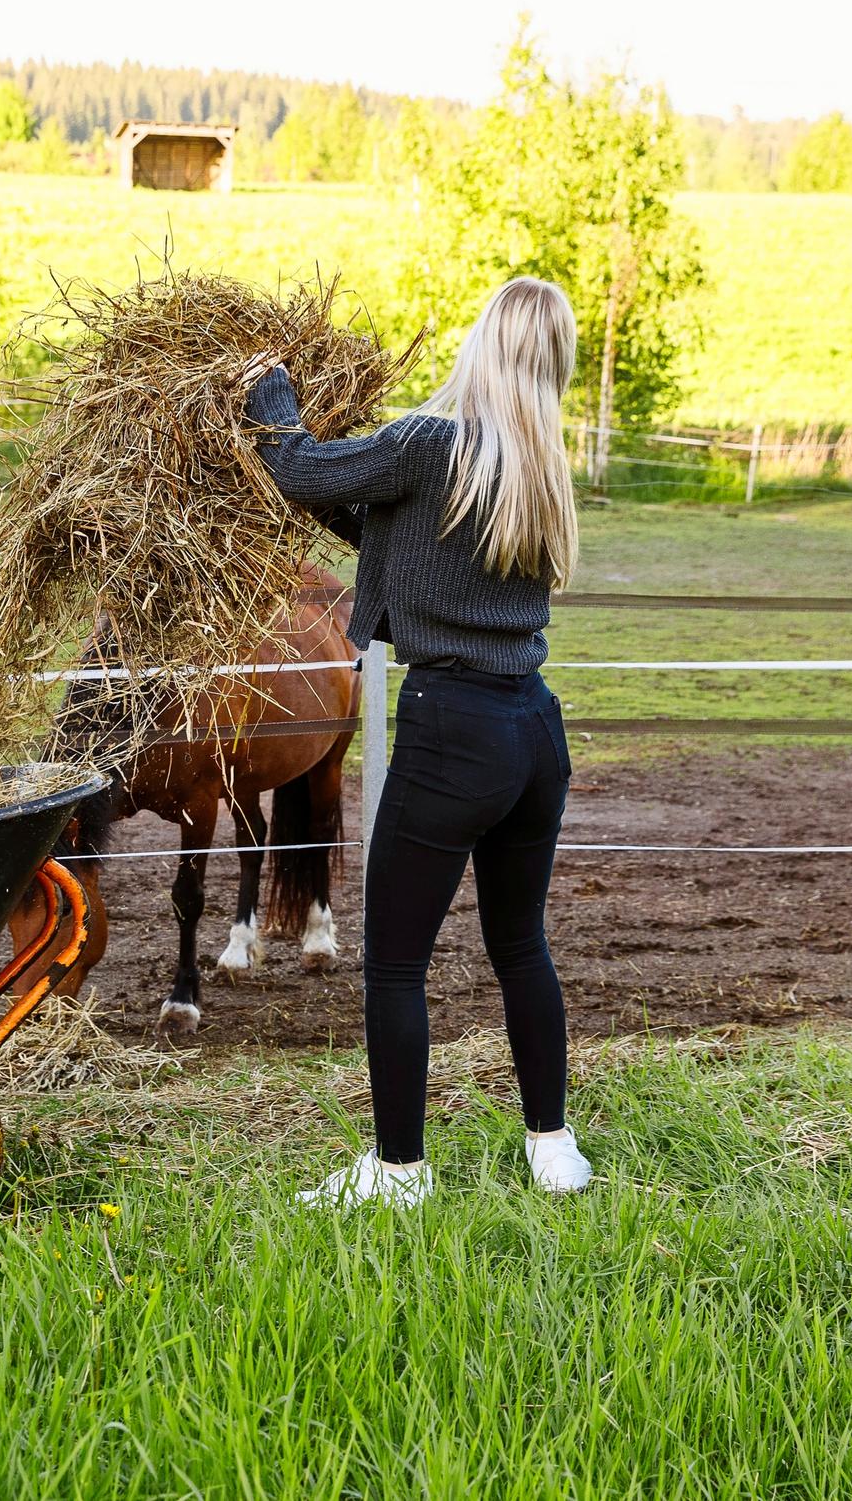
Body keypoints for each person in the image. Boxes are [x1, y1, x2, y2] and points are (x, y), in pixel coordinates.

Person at [244, 278, 591, 1206]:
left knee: (397, 962)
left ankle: (398, 1171)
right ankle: (552, 1148)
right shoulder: (536, 468)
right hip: (533, 732)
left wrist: (268, 389)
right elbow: (384, 533)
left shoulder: (432, 443)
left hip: (450, 735)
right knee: (521, 945)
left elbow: (303, 470)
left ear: (481, 343)